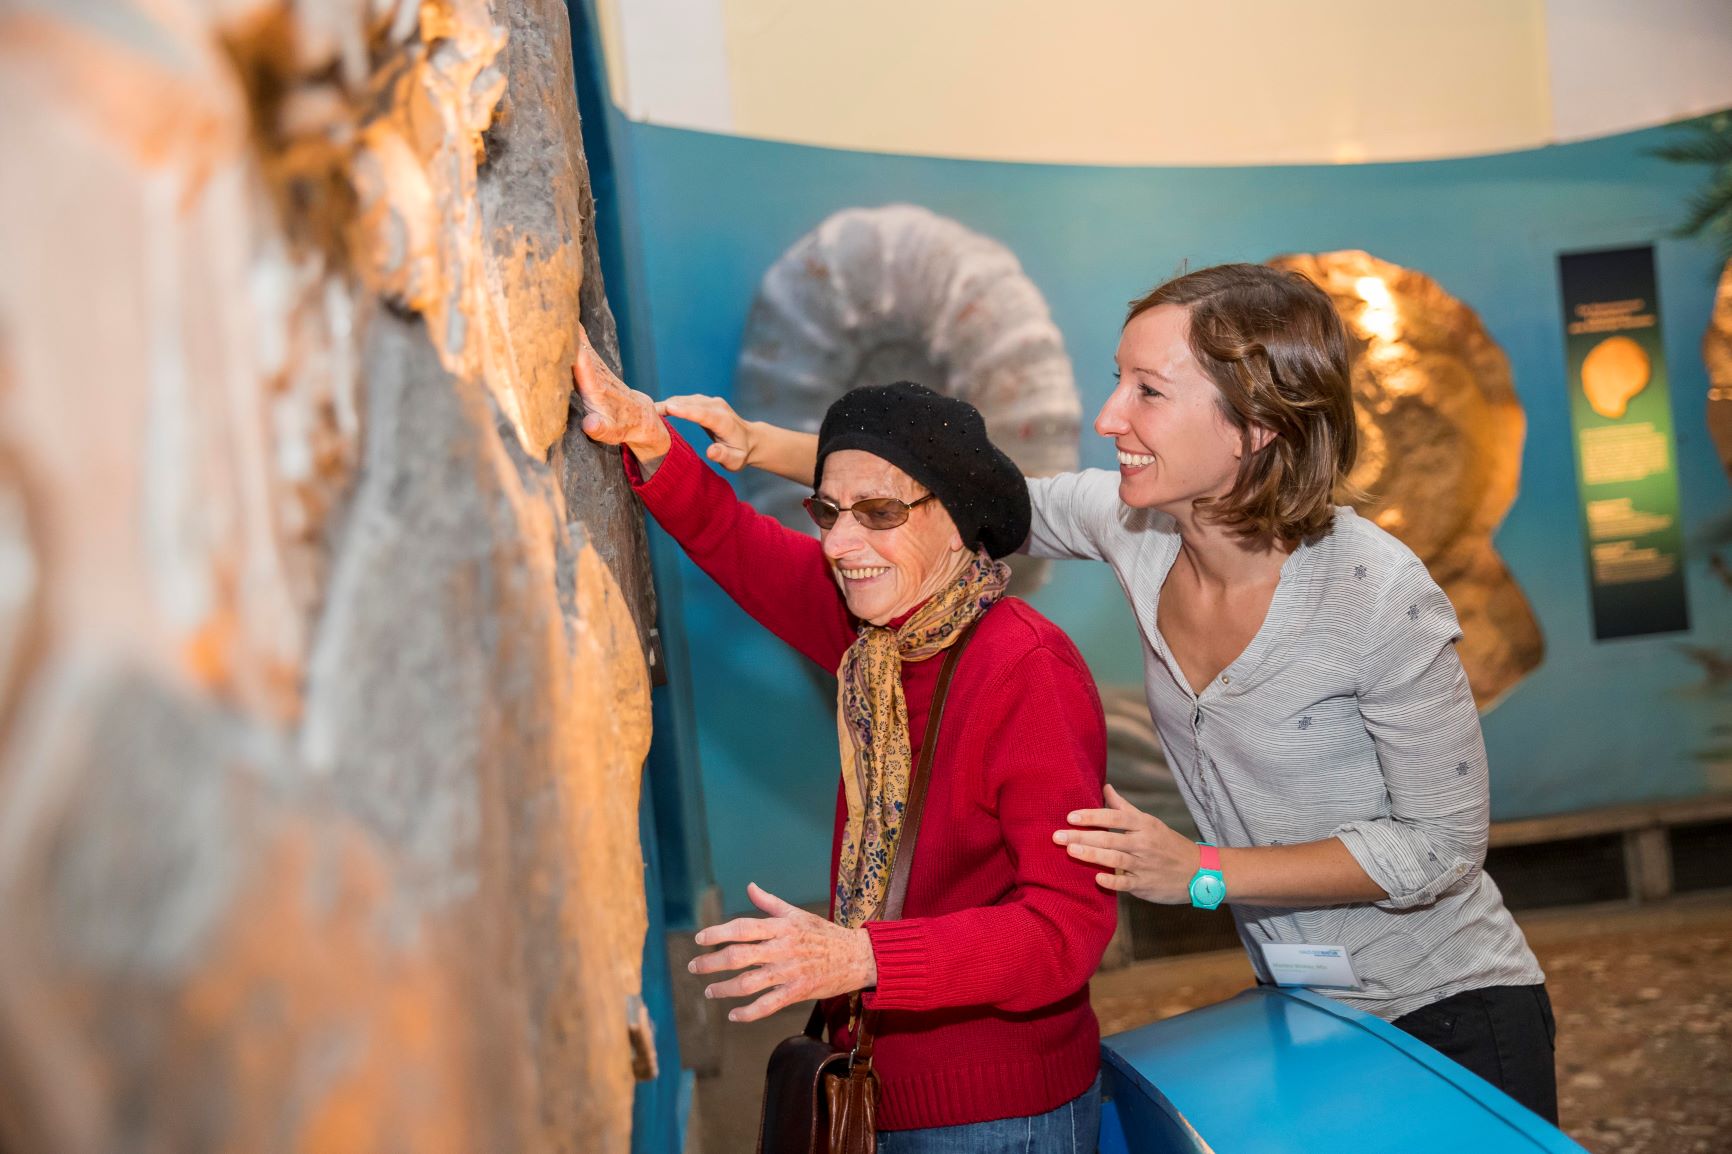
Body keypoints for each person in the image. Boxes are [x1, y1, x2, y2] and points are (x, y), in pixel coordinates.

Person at [652, 263, 1561, 1124]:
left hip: (1450, 1012)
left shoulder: (1380, 596)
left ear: (1256, 426)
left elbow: (1442, 846)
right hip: (1303, 999)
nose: (1108, 415)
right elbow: (953, 492)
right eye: (1117, 381)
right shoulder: (1139, 525)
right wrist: (763, 445)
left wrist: (1201, 873)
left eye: (1148, 391)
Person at [571, 329, 1117, 1151]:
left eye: (880, 513)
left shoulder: (1027, 670)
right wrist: (650, 441)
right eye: (827, 511)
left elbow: (1063, 931)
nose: (838, 544)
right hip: (875, 1087)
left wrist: (862, 960)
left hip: (1000, 1114)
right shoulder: (878, 637)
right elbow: (737, 544)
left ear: (957, 515)